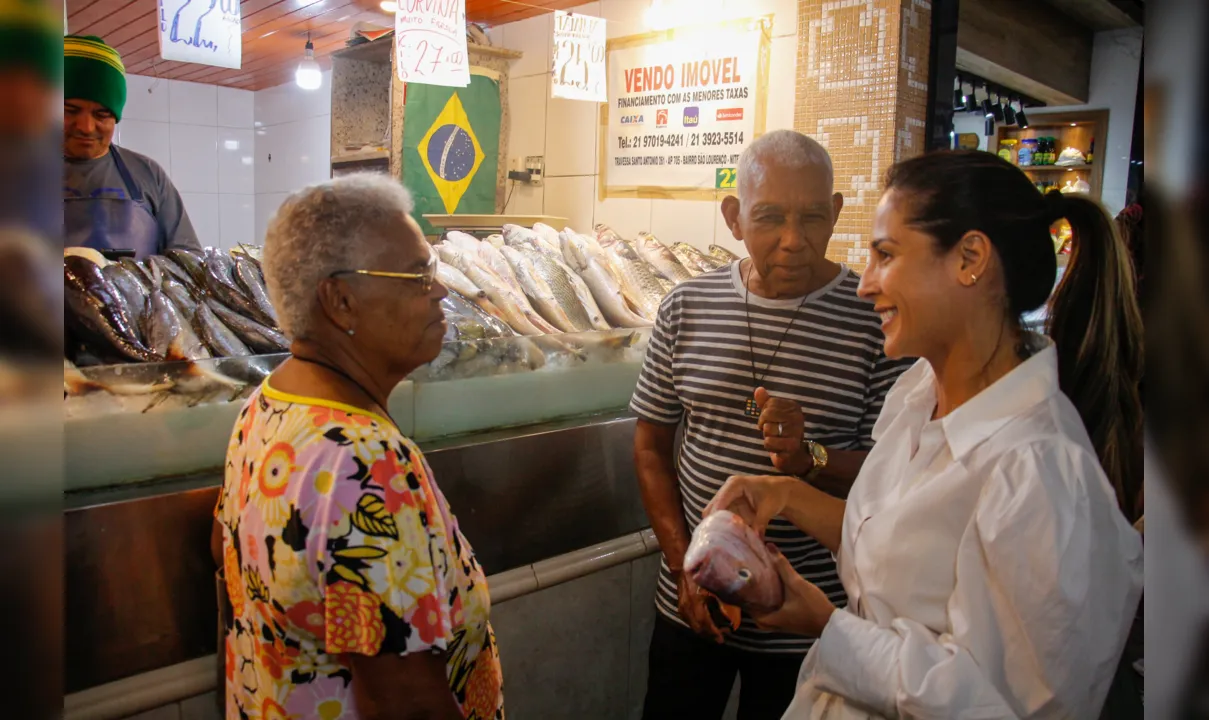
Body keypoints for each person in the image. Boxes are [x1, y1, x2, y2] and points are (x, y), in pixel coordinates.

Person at [708, 150, 1144, 719]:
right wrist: (783, 495)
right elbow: (894, 541)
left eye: (885, 255)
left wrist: (825, 624)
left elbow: (1014, 707)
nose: (864, 285)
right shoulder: (918, 391)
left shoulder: (1037, 468)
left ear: (969, 258)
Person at [631, 129, 910, 719]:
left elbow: (893, 478)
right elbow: (651, 446)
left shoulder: (875, 323)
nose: (792, 241)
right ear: (734, 218)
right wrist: (685, 565)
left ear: (835, 213)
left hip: (807, 615)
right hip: (692, 599)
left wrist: (808, 453)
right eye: (770, 218)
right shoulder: (686, 307)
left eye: (812, 217)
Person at [211, 174, 504, 719]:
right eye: (418, 275)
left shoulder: (270, 402)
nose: (441, 291)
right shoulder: (364, 461)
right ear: (341, 301)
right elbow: (405, 702)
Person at [62, 35, 200, 259]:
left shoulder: (147, 173)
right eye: (70, 110)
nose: (86, 127)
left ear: (115, 117)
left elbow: (188, 259)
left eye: (102, 114)